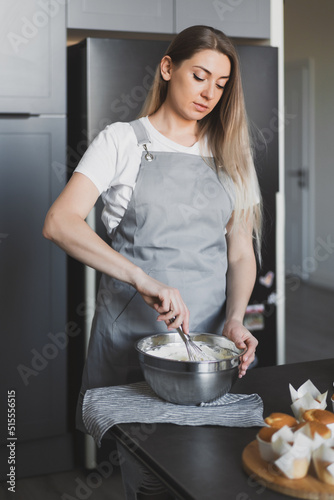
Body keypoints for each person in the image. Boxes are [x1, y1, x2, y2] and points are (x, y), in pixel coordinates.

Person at [43, 25, 262, 435]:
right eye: (199, 77)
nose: (209, 94)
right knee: (146, 471)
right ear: (167, 68)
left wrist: (234, 319)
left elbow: (239, 252)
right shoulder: (122, 142)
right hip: (133, 341)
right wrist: (140, 278)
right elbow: (59, 222)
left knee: (205, 466)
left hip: (207, 348)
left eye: (220, 83)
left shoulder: (232, 152)